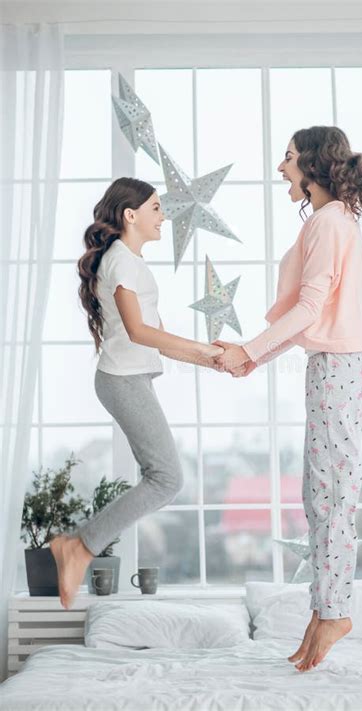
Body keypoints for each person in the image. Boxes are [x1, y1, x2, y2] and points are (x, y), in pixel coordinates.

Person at [214, 126, 362, 672]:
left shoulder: (328, 222)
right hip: (335, 365)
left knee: (332, 499)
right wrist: (254, 358)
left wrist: (248, 349)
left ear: (312, 164)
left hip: (340, 366)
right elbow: (307, 314)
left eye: (288, 158)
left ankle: (336, 612)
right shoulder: (329, 221)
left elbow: (310, 309)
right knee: (319, 499)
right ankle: (322, 613)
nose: (279, 168)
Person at [50, 177, 224, 610]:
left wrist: (213, 359)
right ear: (130, 215)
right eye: (155, 207)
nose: (162, 216)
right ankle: (78, 548)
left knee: (165, 477)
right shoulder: (122, 262)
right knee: (167, 478)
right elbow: (138, 331)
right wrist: (207, 352)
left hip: (129, 378)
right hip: (121, 380)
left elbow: (157, 335)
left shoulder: (127, 260)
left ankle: (80, 547)